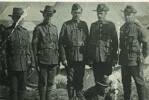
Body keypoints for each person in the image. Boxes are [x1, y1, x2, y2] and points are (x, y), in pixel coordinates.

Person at [84, 3, 118, 99]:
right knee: (97, 81)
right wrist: (90, 58)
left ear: (105, 13)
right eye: (98, 13)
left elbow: (115, 43)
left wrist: (115, 58)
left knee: (106, 81)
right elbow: (90, 43)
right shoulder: (93, 25)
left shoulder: (111, 25)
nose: (99, 15)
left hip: (107, 58)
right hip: (96, 59)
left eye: (101, 13)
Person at [59, 3, 89, 100]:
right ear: (71, 13)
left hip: (81, 58)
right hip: (70, 58)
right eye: (75, 12)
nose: (77, 14)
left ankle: (79, 97)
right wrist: (63, 58)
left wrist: (87, 58)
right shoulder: (66, 25)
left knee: (80, 80)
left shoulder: (84, 25)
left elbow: (88, 42)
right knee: (70, 80)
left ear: (81, 13)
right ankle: (71, 98)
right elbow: (61, 43)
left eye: (79, 13)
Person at [4, 7, 34, 100]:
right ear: (13, 18)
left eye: (20, 18)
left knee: (22, 90)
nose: (19, 20)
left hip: (23, 66)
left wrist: (32, 64)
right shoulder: (7, 32)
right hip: (12, 66)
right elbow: (3, 51)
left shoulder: (25, 32)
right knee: (13, 90)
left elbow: (30, 49)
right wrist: (5, 66)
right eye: (17, 17)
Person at [119, 5, 148, 100]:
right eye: (125, 14)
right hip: (124, 62)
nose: (127, 16)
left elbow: (146, 43)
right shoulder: (122, 28)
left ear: (133, 15)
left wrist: (143, 56)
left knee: (139, 84)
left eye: (129, 15)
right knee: (126, 84)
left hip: (135, 61)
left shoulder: (138, 28)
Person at [32, 5, 59, 100]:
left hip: (53, 60)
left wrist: (57, 62)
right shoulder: (38, 28)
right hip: (42, 60)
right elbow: (34, 46)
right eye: (47, 15)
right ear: (43, 15)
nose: (49, 17)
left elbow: (57, 46)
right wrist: (36, 62)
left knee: (51, 83)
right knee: (43, 83)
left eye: (50, 15)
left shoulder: (55, 28)